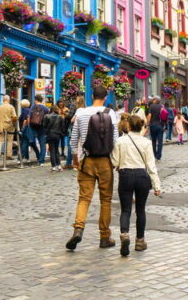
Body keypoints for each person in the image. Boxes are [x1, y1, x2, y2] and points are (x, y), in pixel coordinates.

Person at [66, 83, 120, 251]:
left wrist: (76, 157)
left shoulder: (81, 113)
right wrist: (116, 161)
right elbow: (115, 140)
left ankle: (78, 229)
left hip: (87, 160)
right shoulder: (110, 113)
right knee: (105, 200)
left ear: (91, 96)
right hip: (105, 161)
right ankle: (105, 237)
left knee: (84, 198)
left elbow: (74, 139)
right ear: (105, 98)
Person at [111, 114, 162, 257]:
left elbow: (114, 162)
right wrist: (157, 185)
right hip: (141, 176)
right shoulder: (146, 142)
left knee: (125, 209)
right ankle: (140, 241)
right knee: (140, 210)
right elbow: (151, 165)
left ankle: (125, 234)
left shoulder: (120, 141)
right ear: (141, 127)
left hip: (125, 175)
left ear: (128, 126)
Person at [0, 95, 19, 162]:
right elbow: (14, 117)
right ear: (8, 100)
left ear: (3, 100)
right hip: (9, 125)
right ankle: (8, 155)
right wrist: (12, 123)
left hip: (0, 125)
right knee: (9, 140)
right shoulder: (11, 107)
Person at [43, 104, 65, 171]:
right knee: (56, 150)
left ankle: (53, 166)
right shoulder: (60, 117)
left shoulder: (47, 116)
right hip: (57, 135)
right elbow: (63, 128)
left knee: (52, 150)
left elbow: (44, 125)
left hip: (50, 134)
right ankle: (59, 165)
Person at [29, 94, 48, 166]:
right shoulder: (45, 108)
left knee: (31, 141)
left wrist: (28, 125)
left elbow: (29, 117)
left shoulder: (32, 107)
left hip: (33, 127)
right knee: (42, 145)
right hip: (42, 128)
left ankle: (38, 155)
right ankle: (41, 161)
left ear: (35, 100)